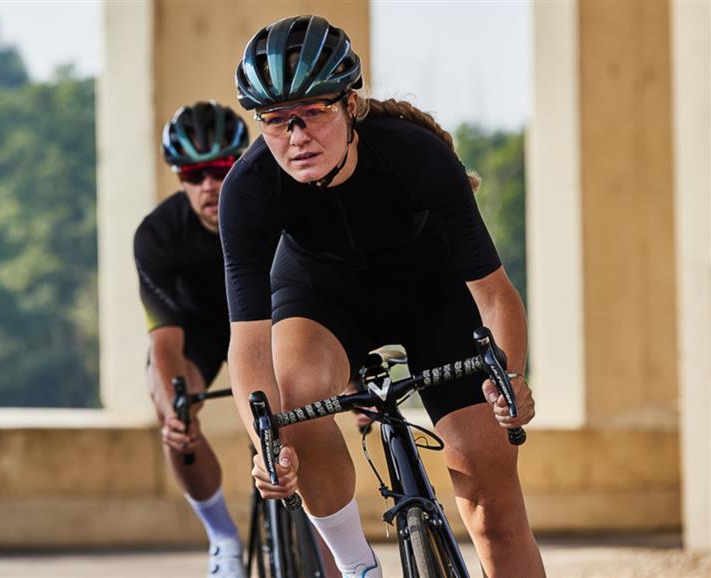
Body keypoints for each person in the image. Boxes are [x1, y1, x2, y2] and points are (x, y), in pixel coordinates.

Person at [219, 15, 546, 578]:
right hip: (320, 299)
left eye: (314, 111)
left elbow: (494, 295)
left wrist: (508, 377)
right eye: (275, 119)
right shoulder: (247, 189)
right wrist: (269, 446)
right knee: (293, 404)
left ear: (350, 104)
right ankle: (357, 566)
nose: (296, 136)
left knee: (493, 507)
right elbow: (249, 345)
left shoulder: (415, 153)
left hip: (432, 297)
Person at [134, 101, 249, 578]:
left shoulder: (272, 209)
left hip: (264, 315)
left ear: (240, 163)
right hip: (197, 327)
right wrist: (176, 407)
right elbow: (164, 342)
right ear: (179, 177)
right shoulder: (157, 234)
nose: (209, 185)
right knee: (172, 412)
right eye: (193, 173)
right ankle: (222, 536)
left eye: (220, 169)